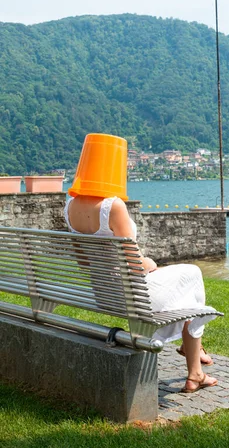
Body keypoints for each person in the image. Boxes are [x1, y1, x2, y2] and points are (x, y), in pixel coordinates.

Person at [64, 133, 218, 393]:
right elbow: (134, 265)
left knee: (186, 284)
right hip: (133, 296)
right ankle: (195, 365)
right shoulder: (112, 206)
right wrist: (149, 262)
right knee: (193, 273)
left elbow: (84, 263)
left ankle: (195, 357)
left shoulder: (70, 207)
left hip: (105, 294)